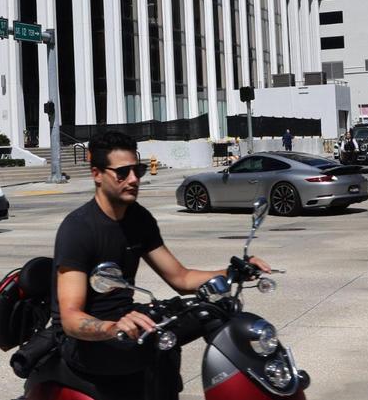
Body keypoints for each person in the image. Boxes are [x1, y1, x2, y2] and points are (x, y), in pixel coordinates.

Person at [51, 130, 270, 395]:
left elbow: (180, 277)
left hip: (129, 320)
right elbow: (71, 318)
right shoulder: (78, 229)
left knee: (210, 314)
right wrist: (112, 327)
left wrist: (234, 271)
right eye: (122, 172)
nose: (133, 179)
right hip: (86, 340)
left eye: (138, 170)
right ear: (96, 174)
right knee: (151, 350)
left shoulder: (138, 219)